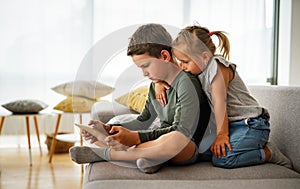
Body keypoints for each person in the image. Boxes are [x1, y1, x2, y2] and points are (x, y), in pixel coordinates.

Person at [69, 23, 211, 174]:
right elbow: (144, 120)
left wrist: (135, 138)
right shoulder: (155, 86)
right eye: (140, 68)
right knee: (116, 127)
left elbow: (183, 131)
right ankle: (151, 159)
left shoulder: (186, 83)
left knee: (177, 139)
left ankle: (108, 154)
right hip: (159, 141)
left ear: (164, 56)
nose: (144, 73)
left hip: (189, 147)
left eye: (146, 65)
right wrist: (108, 129)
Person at [155, 25, 292, 169]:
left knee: (223, 159)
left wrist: (222, 135)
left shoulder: (217, 66)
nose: (181, 66)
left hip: (250, 124)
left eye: (185, 62)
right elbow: (171, 72)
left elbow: (220, 102)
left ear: (205, 56)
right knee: (200, 152)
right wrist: (158, 82)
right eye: (179, 61)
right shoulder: (196, 68)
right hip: (230, 126)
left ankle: (269, 152)